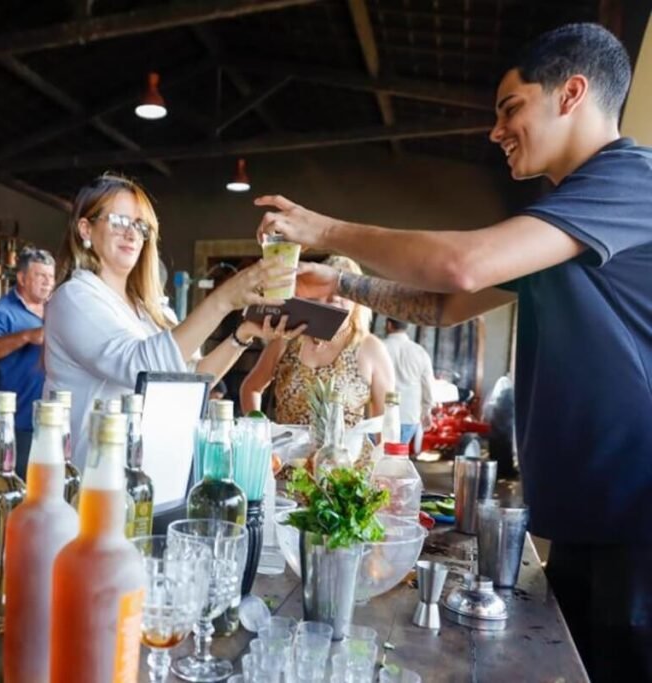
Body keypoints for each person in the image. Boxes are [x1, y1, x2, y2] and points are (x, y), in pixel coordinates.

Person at [253, 23, 651, 681]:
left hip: (638, 527)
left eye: (510, 107)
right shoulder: (564, 218)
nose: (496, 130)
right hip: (592, 524)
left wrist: (322, 228)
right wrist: (344, 282)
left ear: (572, 92)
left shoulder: (629, 182)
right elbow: (441, 304)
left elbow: (463, 266)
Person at [44, 172, 301, 466]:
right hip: (93, 478)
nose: (132, 234)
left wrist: (242, 334)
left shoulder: (151, 310)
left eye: (140, 226)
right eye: (119, 221)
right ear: (85, 229)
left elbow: (189, 381)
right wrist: (223, 299)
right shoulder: (74, 298)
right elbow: (142, 369)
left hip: (150, 473)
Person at [239, 257, 395, 461]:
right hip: (287, 469)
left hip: (346, 476)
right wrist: (259, 439)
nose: (335, 297)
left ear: (358, 301)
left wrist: (387, 469)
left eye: (345, 291)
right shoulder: (288, 338)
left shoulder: (370, 348)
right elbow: (250, 388)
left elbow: (386, 422)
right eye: (328, 288)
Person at [0, 246, 55, 476]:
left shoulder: (56, 311)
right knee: (17, 492)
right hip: (17, 423)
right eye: (40, 276)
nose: (48, 282)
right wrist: (27, 336)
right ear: (22, 277)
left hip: (54, 421)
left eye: (51, 276)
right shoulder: (0, 312)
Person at [381, 318, 435, 448]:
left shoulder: (379, 347)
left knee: (376, 459)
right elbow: (428, 386)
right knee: (397, 457)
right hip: (409, 417)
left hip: (380, 417)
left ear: (388, 325)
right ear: (408, 327)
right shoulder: (420, 352)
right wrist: (427, 411)